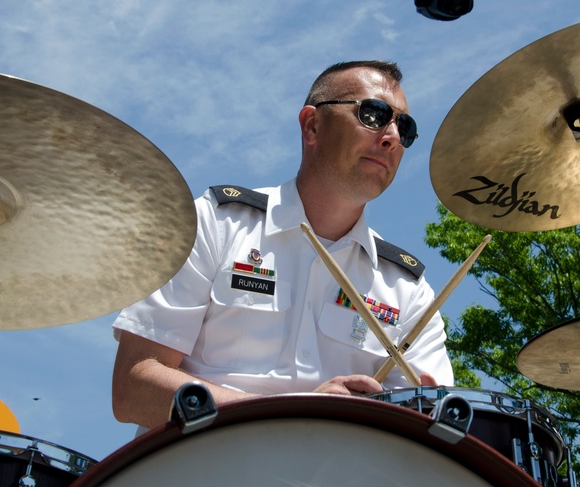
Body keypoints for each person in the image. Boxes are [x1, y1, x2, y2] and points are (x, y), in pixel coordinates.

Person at [111, 60, 454, 433]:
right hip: (200, 476)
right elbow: (133, 387)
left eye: (405, 127)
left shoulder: (408, 290)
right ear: (312, 126)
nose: (391, 136)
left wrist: (425, 420)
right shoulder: (218, 222)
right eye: (373, 114)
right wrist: (293, 416)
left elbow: (432, 430)